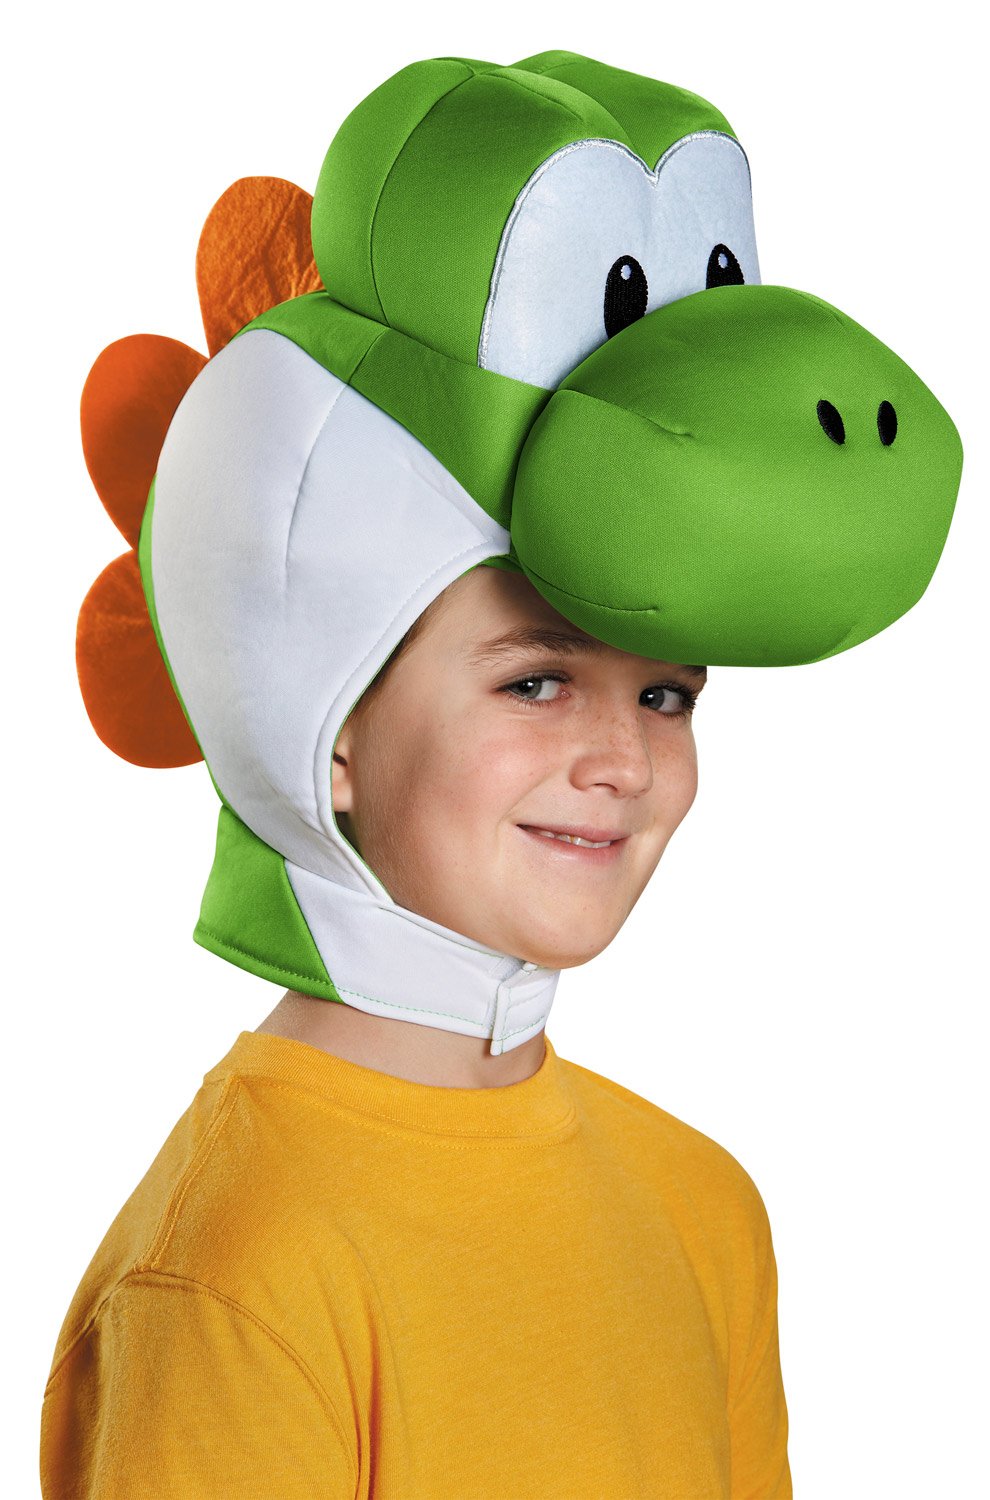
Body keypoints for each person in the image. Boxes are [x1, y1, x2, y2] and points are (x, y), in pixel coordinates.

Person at [41, 560, 791, 1500]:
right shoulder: (233, 1277)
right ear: (329, 738)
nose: (629, 764)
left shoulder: (702, 1201)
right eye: (536, 684)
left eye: (664, 697)